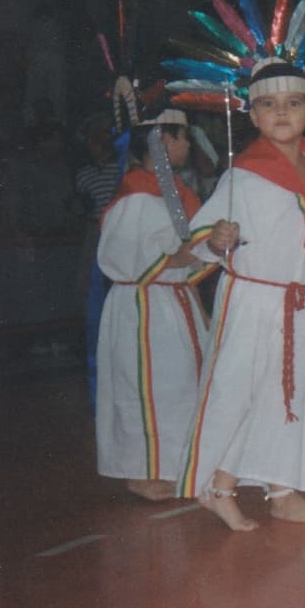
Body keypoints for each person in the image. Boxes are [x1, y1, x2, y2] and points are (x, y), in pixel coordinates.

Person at [177, 59, 305, 531]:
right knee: (245, 393)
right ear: (252, 116)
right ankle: (217, 485)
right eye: (268, 105)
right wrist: (217, 240)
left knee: (295, 393)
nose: (281, 113)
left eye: (293, 104)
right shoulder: (244, 177)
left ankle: (282, 490)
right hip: (256, 299)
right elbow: (199, 238)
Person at [96, 106, 215, 501]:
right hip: (142, 306)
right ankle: (142, 472)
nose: (187, 146)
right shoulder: (135, 195)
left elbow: (185, 254)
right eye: (182, 137)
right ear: (164, 140)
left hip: (172, 303)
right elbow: (130, 259)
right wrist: (186, 255)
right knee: (146, 388)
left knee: (178, 385)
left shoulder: (173, 196)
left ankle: (175, 464)